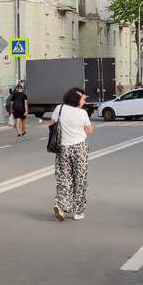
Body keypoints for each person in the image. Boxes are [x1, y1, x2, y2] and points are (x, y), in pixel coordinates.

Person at [50, 86, 93, 221]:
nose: (84, 101)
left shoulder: (59, 109)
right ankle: (78, 211)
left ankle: (60, 205)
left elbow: (52, 124)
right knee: (79, 179)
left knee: (64, 178)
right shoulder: (82, 113)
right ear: (77, 99)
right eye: (83, 99)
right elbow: (89, 130)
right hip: (79, 148)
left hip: (63, 148)